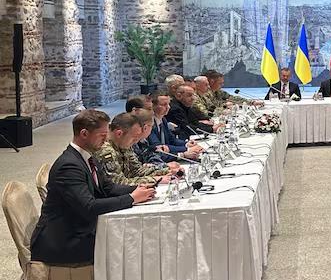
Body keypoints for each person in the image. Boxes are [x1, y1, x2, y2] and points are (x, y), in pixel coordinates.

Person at [30, 110, 156, 265]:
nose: (106, 139)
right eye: (102, 135)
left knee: (136, 238)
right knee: (132, 246)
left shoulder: (88, 156)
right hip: (64, 241)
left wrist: (141, 188)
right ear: (84, 134)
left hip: (77, 228)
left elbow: (108, 188)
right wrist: (131, 198)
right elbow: (89, 206)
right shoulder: (69, 166)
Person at [96, 112, 174, 188]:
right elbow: (119, 183)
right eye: (134, 138)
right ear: (119, 134)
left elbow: (137, 171)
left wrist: (167, 171)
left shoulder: (123, 144)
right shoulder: (106, 151)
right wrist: (154, 179)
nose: (136, 141)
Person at [148, 92, 202, 158]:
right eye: (164, 105)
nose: (168, 107)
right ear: (152, 106)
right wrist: (186, 149)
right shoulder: (149, 124)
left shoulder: (163, 119)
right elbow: (158, 146)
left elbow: (172, 140)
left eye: (168, 104)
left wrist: (186, 144)